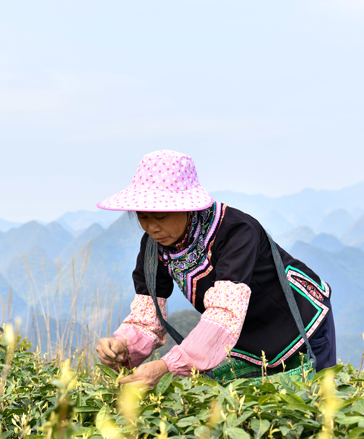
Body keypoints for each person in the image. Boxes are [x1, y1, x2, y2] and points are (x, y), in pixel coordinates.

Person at [94, 150, 336, 389]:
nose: (152, 227)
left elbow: (224, 313)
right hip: (247, 335)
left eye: (161, 216)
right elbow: (148, 317)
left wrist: (167, 366)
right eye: (143, 217)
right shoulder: (153, 246)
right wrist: (122, 347)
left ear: (186, 207)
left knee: (315, 402)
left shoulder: (236, 232)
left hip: (301, 322)